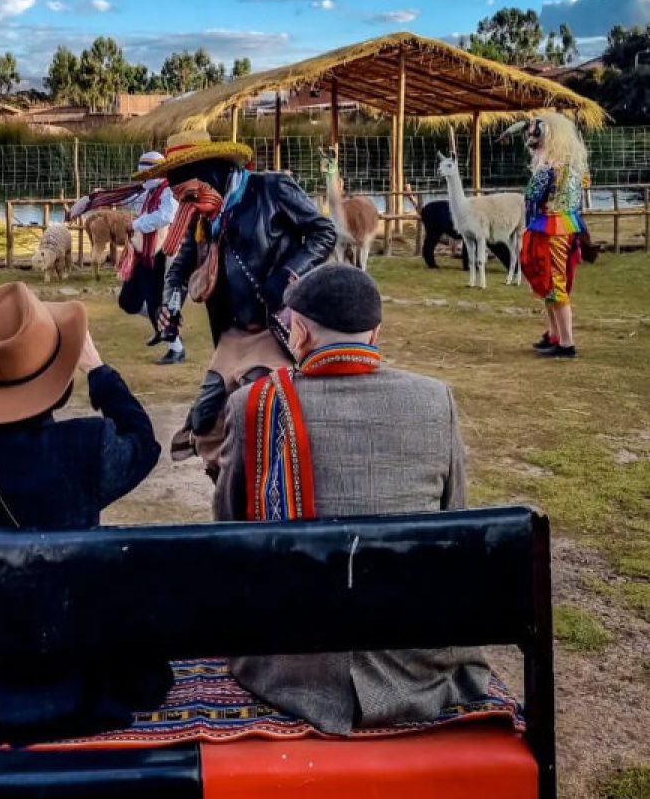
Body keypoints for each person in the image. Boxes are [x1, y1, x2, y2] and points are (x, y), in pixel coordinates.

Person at [214, 263, 491, 734]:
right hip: (414, 667)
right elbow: (453, 527)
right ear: (375, 333)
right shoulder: (435, 401)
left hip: (290, 669)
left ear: (298, 332)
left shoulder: (253, 406)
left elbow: (228, 534)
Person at [0, 280, 167, 743]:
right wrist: (98, 370)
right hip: (71, 673)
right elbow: (143, 443)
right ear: (60, 381)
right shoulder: (87, 449)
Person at [136, 131, 336, 475]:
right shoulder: (201, 215)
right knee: (205, 416)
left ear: (212, 173)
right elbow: (181, 267)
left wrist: (287, 275)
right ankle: (230, 482)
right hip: (233, 335)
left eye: (192, 195)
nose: (189, 206)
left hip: (278, 329)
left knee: (259, 406)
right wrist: (169, 304)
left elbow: (323, 232)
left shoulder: (271, 189)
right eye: (182, 199)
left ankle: (277, 481)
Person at [515, 114, 591, 359]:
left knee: (554, 282)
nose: (532, 141)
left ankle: (566, 343)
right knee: (551, 281)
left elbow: (532, 196)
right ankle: (555, 334)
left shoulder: (549, 169)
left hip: (551, 226)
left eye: (536, 136)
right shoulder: (574, 167)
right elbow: (583, 187)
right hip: (566, 225)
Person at [121, 149, 184, 366]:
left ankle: (176, 347)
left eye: (146, 175)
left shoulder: (169, 191)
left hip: (160, 253)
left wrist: (136, 224)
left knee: (156, 301)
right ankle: (162, 325)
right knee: (128, 301)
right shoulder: (150, 192)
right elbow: (133, 203)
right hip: (142, 252)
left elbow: (166, 216)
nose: (144, 180)